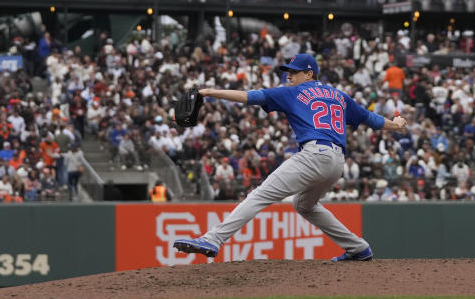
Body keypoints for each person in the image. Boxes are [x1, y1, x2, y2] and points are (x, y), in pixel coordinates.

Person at [173, 53, 406, 261]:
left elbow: (248, 96)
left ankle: (213, 239)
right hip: (336, 163)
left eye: (293, 72)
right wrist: (395, 126)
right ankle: (358, 248)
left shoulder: (294, 92)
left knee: (260, 194)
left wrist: (209, 92)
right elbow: (371, 120)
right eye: (287, 73)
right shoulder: (339, 96)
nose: (288, 77)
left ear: (309, 73)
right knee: (304, 204)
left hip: (315, 155)